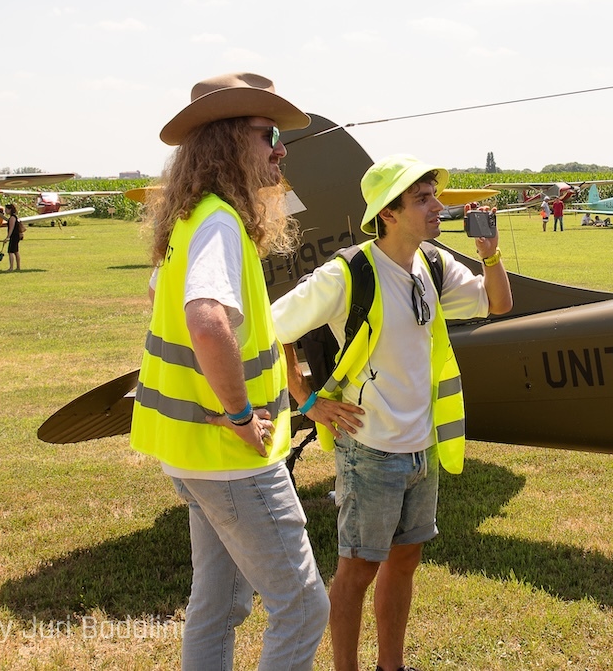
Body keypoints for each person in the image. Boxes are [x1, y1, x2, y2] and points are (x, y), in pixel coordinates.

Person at [272, 154, 512, 671]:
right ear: (388, 213)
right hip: (371, 452)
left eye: (434, 195)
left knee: (404, 562)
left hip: (422, 449)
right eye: (422, 198)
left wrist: (490, 255)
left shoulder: (434, 264)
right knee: (357, 571)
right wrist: (308, 402)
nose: (437, 207)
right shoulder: (345, 275)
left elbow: (498, 304)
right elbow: (271, 330)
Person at [129, 72, 330, 670]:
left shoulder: (191, 220)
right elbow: (206, 321)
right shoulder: (219, 222)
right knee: (301, 605)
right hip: (230, 452)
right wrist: (243, 414)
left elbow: (158, 293)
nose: (280, 148)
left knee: (218, 604)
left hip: (193, 452)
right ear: (227, 143)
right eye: (267, 134)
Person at [4, 203, 24, 270]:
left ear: (10, 210)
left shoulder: (12, 218)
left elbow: (11, 228)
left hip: (14, 236)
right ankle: (18, 267)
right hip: (16, 235)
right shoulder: (14, 217)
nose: (5, 211)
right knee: (16, 251)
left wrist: (7, 237)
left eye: (6, 209)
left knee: (10, 252)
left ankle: (11, 267)